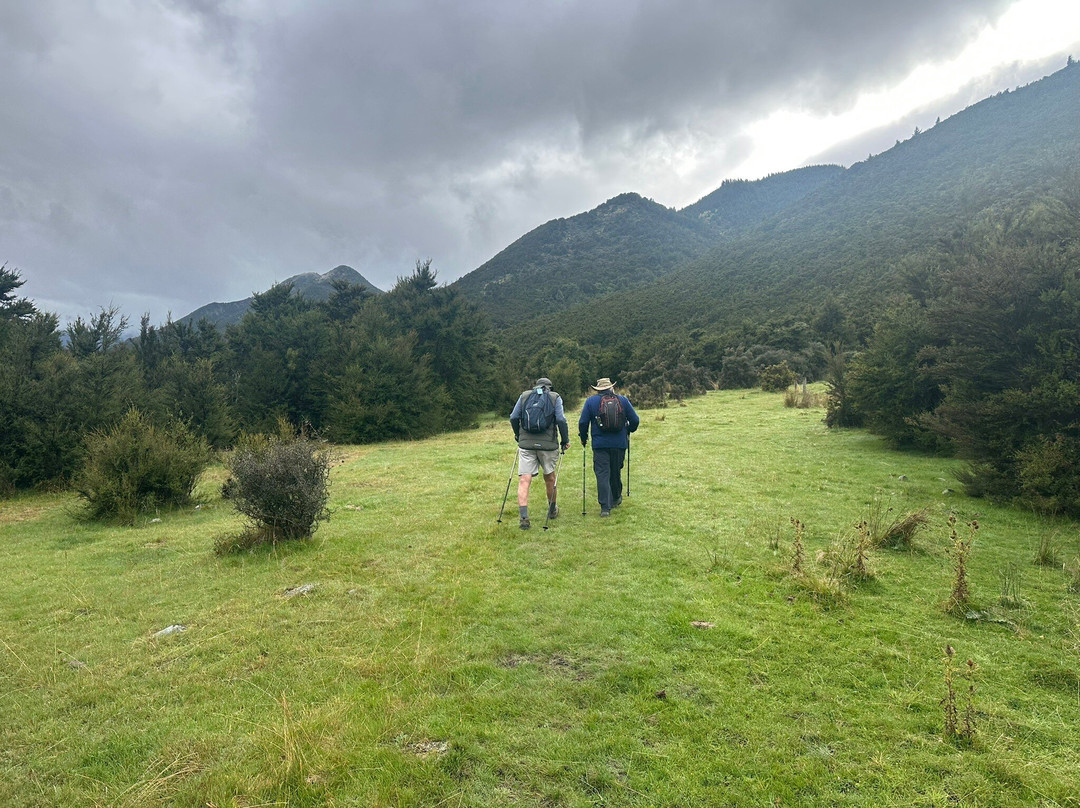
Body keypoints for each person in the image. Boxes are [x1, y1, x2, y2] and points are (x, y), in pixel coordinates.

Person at [509, 377, 569, 530]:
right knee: (549, 477)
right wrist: (565, 440)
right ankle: (552, 510)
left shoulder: (524, 396)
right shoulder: (555, 397)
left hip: (526, 444)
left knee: (524, 479)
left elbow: (514, 417)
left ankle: (524, 517)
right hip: (548, 445)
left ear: (536, 386)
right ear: (550, 387)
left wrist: (518, 435)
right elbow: (561, 420)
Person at [578, 377, 639, 517]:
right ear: (611, 387)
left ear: (598, 389)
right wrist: (629, 430)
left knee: (602, 474)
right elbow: (635, 420)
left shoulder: (590, 402)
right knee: (615, 470)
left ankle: (605, 507)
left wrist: (583, 437)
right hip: (619, 443)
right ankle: (616, 497)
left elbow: (583, 423)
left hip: (600, 445)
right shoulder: (622, 400)